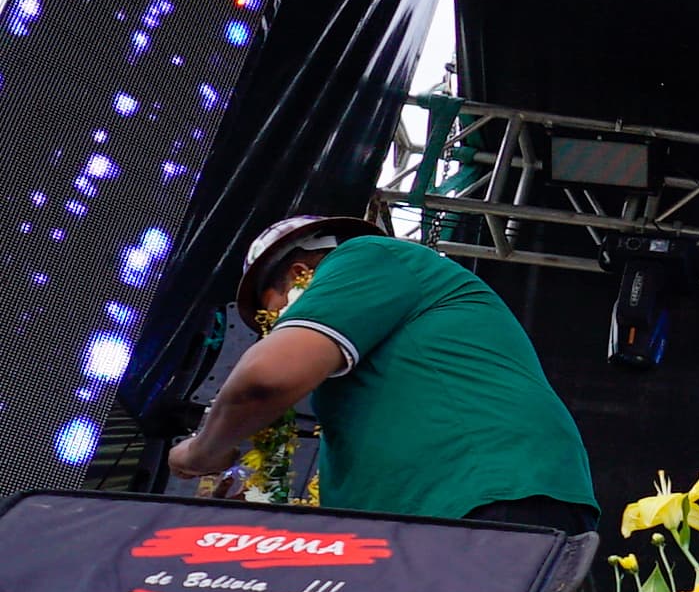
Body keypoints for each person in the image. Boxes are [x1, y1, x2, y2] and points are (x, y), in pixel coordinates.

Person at [165, 214, 597, 533]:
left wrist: (201, 452)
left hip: (481, 500)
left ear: (300, 272)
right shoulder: (371, 369)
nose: (272, 327)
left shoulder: (368, 255)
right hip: (436, 521)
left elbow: (264, 379)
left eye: (270, 313)